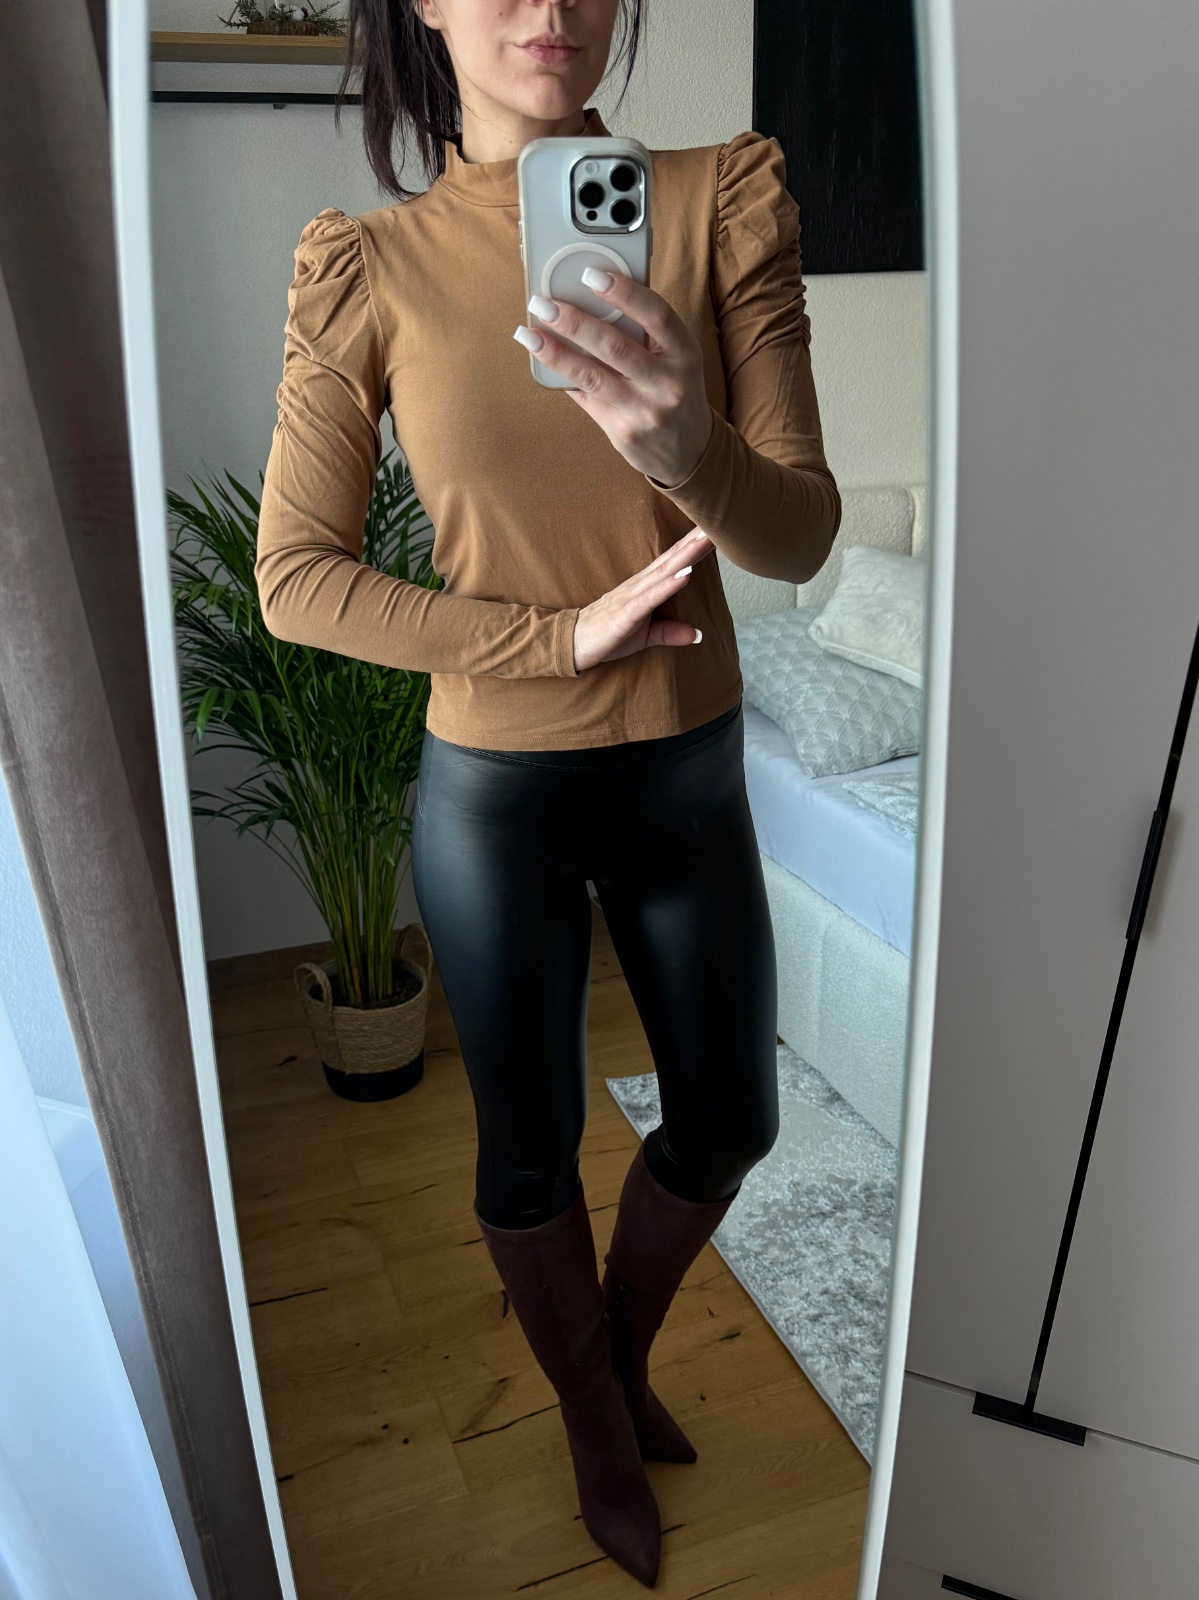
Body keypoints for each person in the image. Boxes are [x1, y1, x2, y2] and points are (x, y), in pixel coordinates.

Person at [255, 0, 840, 1586]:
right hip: (495, 796)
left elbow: (798, 534)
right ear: (423, 7)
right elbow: (293, 579)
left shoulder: (721, 203)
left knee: (730, 1117)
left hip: (687, 770)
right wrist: (553, 638)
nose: (553, 7)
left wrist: (688, 445)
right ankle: (597, 1426)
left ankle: (609, 1365)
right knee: (526, 1152)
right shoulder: (368, 266)